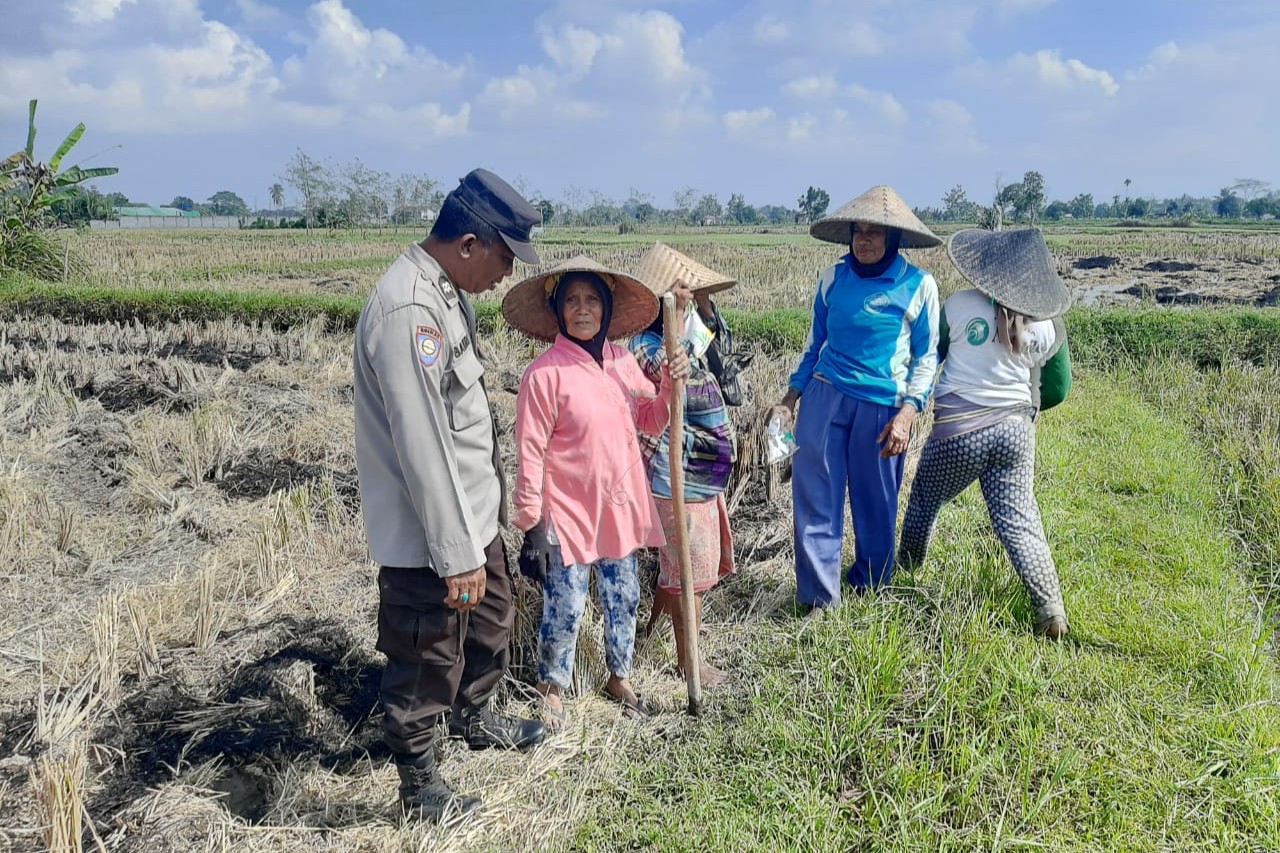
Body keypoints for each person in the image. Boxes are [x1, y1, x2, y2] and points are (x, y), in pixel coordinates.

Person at [353, 168, 546, 823]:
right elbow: (421, 441)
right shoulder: (410, 307)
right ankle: (419, 785)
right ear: (470, 243)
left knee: (494, 617)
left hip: (473, 515)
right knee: (425, 649)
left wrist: (483, 534)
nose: (505, 275)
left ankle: (474, 715)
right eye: (503, 258)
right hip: (431, 532)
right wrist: (453, 549)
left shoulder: (445, 293)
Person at [501, 256, 690, 727]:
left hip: (619, 509)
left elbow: (650, 417)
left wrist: (670, 384)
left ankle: (618, 675)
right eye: (571, 301)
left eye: (591, 300)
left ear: (606, 307)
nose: (582, 309)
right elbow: (530, 452)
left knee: (623, 595)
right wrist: (532, 523)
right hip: (567, 514)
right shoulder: (543, 375)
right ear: (558, 311)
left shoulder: (622, 362)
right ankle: (551, 684)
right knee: (565, 603)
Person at [770, 185, 942, 614]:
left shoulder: (919, 285)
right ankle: (818, 599)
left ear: (894, 240)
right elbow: (814, 345)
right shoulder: (833, 279)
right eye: (858, 232)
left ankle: (871, 585)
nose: (864, 241)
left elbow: (927, 357)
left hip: (884, 408)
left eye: (875, 233)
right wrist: (790, 399)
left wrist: (908, 412)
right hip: (825, 399)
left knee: (876, 503)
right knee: (815, 499)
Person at [898, 228, 1073, 638]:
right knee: (1020, 520)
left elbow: (930, 358)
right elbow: (1058, 389)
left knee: (925, 500)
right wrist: (1021, 411)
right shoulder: (1051, 325)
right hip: (1016, 433)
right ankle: (1051, 609)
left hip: (958, 432)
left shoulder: (959, 306)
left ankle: (905, 573)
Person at [629, 242, 741, 687]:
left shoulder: (699, 334)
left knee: (675, 565)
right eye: (687, 295)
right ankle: (687, 659)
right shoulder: (649, 345)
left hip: (703, 473)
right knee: (688, 572)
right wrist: (680, 325)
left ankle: (654, 632)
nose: (697, 302)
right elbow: (678, 380)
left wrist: (707, 317)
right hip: (675, 473)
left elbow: (726, 375)